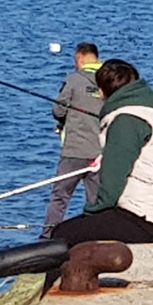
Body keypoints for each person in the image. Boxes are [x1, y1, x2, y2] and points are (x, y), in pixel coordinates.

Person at [49, 60, 153, 248]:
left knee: (62, 234)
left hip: (145, 218)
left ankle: (54, 278)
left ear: (101, 92)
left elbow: (112, 182)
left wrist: (92, 212)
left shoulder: (126, 122)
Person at [44, 43, 103, 232]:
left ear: (80, 58)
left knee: (60, 196)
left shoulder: (74, 79)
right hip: (100, 153)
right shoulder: (110, 79)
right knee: (96, 200)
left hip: (74, 151)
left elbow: (58, 109)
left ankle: (48, 235)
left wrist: (63, 121)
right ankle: (96, 234)